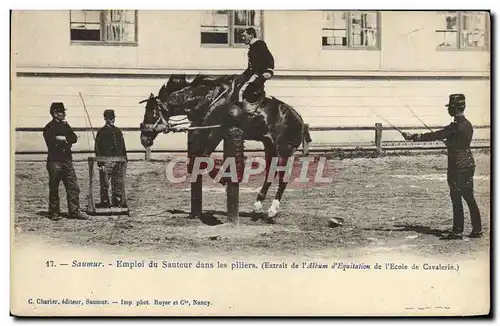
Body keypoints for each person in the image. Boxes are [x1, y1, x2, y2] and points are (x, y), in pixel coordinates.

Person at [403, 94, 482, 239]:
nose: (448, 111)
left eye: (449, 108)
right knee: (469, 197)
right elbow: (458, 142)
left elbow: (437, 135)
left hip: (457, 166)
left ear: (453, 108)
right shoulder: (468, 124)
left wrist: (415, 137)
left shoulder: (454, 127)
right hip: (469, 163)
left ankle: (457, 231)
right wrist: (451, 143)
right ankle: (477, 230)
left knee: (456, 197)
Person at [43, 102, 88, 221]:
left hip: (67, 161)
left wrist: (62, 138)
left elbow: (73, 138)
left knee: (73, 187)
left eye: (64, 112)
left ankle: (74, 211)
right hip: (55, 162)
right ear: (55, 113)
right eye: (62, 112)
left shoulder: (66, 125)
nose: (64, 114)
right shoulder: (49, 127)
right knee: (54, 188)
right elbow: (52, 143)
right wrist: (64, 139)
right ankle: (54, 212)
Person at [95, 109, 128, 207]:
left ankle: (117, 202)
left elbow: (122, 146)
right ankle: (105, 202)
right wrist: (100, 164)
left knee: (117, 182)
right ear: (105, 118)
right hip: (106, 162)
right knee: (104, 183)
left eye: (113, 118)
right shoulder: (101, 132)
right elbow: (97, 149)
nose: (112, 120)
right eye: (110, 118)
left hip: (118, 162)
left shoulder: (118, 131)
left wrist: (124, 160)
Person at [237, 27, 275, 107]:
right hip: (252, 75)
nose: (243, 38)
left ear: (251, 35)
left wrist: (269, 71)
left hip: (258, 75)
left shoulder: (260, 44)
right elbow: (251, 67)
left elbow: (269, 58)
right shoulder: (252, 47)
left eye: (244, 36)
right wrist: (242, 75)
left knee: (241, 92)